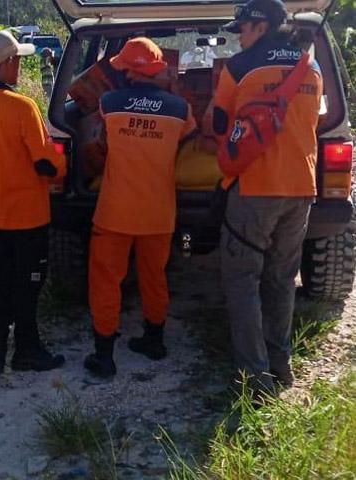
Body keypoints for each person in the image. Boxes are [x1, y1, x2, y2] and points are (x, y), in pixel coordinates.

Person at [213, 0, 323, 394]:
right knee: (280, 279)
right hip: (301, 190)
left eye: (241, 29)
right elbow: (319, 119)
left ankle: (254, 379)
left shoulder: (239, 67)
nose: (239, 37)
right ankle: (282, 367)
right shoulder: (310, 66)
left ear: (259, 26)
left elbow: (219, 123)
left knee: (242, 279)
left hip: (255, 188)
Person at [84, 38, 197, 378]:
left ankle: (104, 356)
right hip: (159, 213)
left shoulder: (109, 102)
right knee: (154, 277)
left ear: (127, 70)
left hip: (114, 213)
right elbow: (189, 140)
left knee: (106, 281)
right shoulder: (180, 109)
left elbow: (101, 140)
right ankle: (154, 341)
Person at [0, 30, 67, 376]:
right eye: (18, 60)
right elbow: (46, 165)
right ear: (7, 63)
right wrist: (66, 164)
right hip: (28, 215)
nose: (19, 66)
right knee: (30, 282)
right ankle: (27, 349)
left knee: (5, 279)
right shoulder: (23, 107)